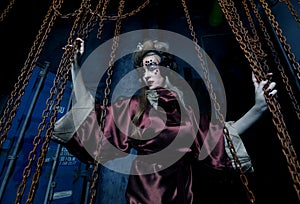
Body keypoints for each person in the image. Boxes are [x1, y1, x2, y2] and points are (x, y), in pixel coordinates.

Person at [51, 38, 277, 204]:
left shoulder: (189, 112)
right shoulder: (134, 107)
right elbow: (93, 118)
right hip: (145, 194)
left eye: (152, 66)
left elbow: (221, 137)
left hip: (183, 192)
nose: (146, 74)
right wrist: (75, 65)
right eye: (143, 69)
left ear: (166, 70)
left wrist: (258, 108)